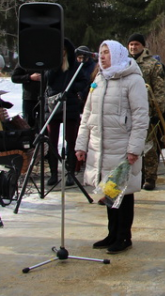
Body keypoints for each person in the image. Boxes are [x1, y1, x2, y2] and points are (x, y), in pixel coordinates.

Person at [75, 40, 149, 254]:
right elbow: (88, 114)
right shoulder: (99, 78)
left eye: (107, 53)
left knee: (122, 193)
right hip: (101, 146)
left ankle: (124, 236)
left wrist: (134, 148)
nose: (103, 56)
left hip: (122, 147)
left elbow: (140, 116)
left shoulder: (132, 80)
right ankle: (112, 233)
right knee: (109, 191)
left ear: (117, 54)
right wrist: (82, 144)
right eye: (101, 53)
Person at [45, 38, 88, 187]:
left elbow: (84, 81)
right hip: (53, 106)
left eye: (63, 50)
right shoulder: (50, 64)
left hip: (70, 106)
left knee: (71, 140)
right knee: (52, 140)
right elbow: (46, 81)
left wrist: (72, 89)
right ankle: (53, 173)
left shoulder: (74, 65)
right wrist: (55, 68)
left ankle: (70, 173)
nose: (61, 52)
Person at [127, 33, 165, 191]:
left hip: (147, 112)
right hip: (128, 112)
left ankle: (150, 177)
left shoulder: (153, 64)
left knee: (149, 147)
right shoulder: (125, 63)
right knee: (131, 147)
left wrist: (158, 112)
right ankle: (136, 176)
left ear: (142, 46)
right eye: (131, 44)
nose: (133, 47)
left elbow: (160, 90)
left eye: (136, 44)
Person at [10, 64, 42, 129]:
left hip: (45, 97)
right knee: (28, 124)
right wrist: (29, 77)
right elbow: (14, 78)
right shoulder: (25, 60)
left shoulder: (48, 58)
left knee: (45, 124)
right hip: (29, 98)